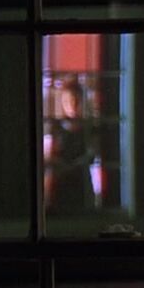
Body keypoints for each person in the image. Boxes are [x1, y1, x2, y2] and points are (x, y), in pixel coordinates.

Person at [44, 79, 97, 213]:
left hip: (81, 180)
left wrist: (76, 164)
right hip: (60, 180)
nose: (72, 105)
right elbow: (48, 155)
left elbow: (92, 153)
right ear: (62, 102)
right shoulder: (55, 127)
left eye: (76, 100)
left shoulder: (88, 127)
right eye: (68, 101)